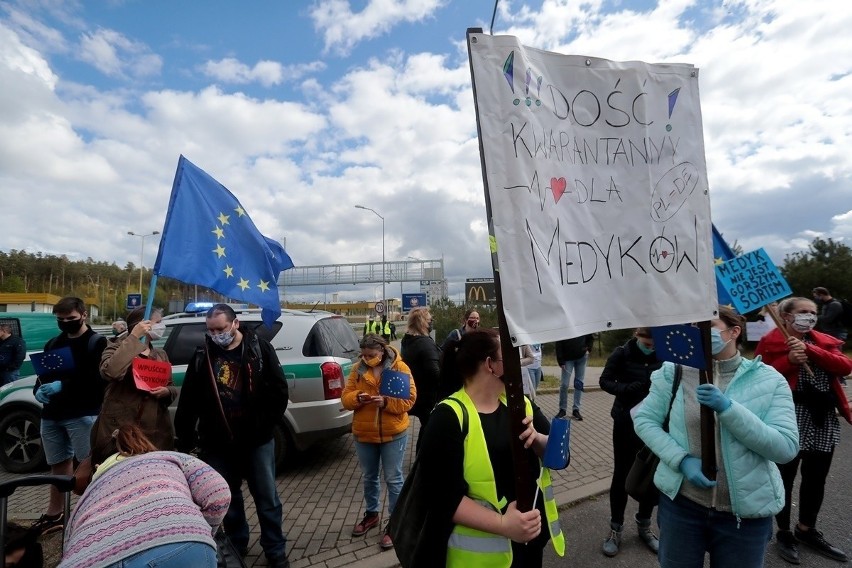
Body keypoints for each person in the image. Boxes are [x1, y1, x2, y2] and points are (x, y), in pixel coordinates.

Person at [633, 307, 799, 568]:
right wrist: (681, 459)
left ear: (734, 331)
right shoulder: (673, 371)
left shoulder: (770, 380)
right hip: (682, 507)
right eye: (691, 325)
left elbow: (785, 448)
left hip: (744, 515)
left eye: (707, 324)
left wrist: (729, 409)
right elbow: (644, 420)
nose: (696, 331)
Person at [415, 328, 565, 567]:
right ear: (490, 365)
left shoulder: (520, 403)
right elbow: (442, 498)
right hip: (480, 558)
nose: (519, 362)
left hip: (530, 543)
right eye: (511, 356)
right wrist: (504, 525)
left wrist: (537, 439)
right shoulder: (448, 417)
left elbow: (561, 457)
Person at [174, 304, 290, 567]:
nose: (216, 334)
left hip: (256, 441)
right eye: (211, 330)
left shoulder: (259, 349)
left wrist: (263, 427)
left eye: (221, 329)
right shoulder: (203, 355)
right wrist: (185, 438)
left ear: (235, 324)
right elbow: (189, 400)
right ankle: (237, 544)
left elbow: (279, 391)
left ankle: (275, 550)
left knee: (267, 497)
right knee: (227, 498)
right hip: (217, 443)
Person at [755, 297, 852, 564]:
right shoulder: (771, 342)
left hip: (822, 418)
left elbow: (845, 366)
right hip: (788, 417)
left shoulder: (823, 340)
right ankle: (784, 532)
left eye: (813, 312)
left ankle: (807, 529)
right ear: (786, 316)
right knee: (784, 476)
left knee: (816, 478)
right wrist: (789, 359)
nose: (809, 316)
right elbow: (759, 378)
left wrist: (810, 351)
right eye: (803, 312)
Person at [61, 424, 231, 568]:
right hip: (185, 544)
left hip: (93, 560)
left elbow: (69, 541)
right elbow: (218, 492)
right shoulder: (170, 458)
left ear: (97, 466)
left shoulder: (93, 490)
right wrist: (205, 530)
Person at [32, 297, 107, 536]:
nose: (66, 323)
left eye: (71, 319)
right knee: (58, 466)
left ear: (84, 315)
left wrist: (63, 386)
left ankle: (95, 516)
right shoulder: (53, 343)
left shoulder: (96, 343)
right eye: (61, 319)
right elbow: (43, 375)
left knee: (90, 466)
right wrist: (39, 390)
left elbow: (98, 380)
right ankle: (56, 514)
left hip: (83, 413)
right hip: (52, 414)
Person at [341, 333, 416, 551]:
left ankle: (396, 523)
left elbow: (409, 400)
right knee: (369, 478)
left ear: (382, 351)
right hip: (364, 434)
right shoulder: (358, 369)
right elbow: (345, 398)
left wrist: (385, 402)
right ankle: (371, 515)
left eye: (371, 355)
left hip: (393, 434)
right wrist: (358, 398)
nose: (366, 358)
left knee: (394, 479)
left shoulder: (399, 368)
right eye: (363, 355)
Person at [598, 328, 662, 557]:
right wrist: (624, 389)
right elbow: (604, 380)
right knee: (622, 475)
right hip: (626, 422)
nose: (651, 346)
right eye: (647, 341)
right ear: (637, 334)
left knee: (651, 475)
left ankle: (645, 525)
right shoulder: (622, 353)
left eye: (655, 343)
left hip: (655, 424)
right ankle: (615, 529)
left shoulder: (663, 353)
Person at [93, 306, 176, 455]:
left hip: (155, 430)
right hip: (122, 427)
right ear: (142, 324)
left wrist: (166, 391)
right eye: (158, 322)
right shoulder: (115, 346)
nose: (161, 326)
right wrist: (133, 338)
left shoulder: (160, 354)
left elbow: (171, 387)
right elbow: (110, 371)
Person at [400, 308, 440, 452]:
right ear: (423, 323)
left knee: (426, 426)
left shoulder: (407, 341)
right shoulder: (425, 343)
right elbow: (434, 371)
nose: (431, 323)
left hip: (413, 391)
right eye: (430, 321)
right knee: (430, 429)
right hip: (427, 395)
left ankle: (420, 458)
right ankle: (422, 459)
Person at [554, 334, 594, 420]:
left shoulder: (582, 323)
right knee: (564, 384)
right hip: (567, 359)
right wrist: (560, 360)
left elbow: (590, 337)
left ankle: (576, 409)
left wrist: (588, 349)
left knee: (579, 384)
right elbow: (559, 342)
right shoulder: (565, 325)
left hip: (582, 357)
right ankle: (562, 409)